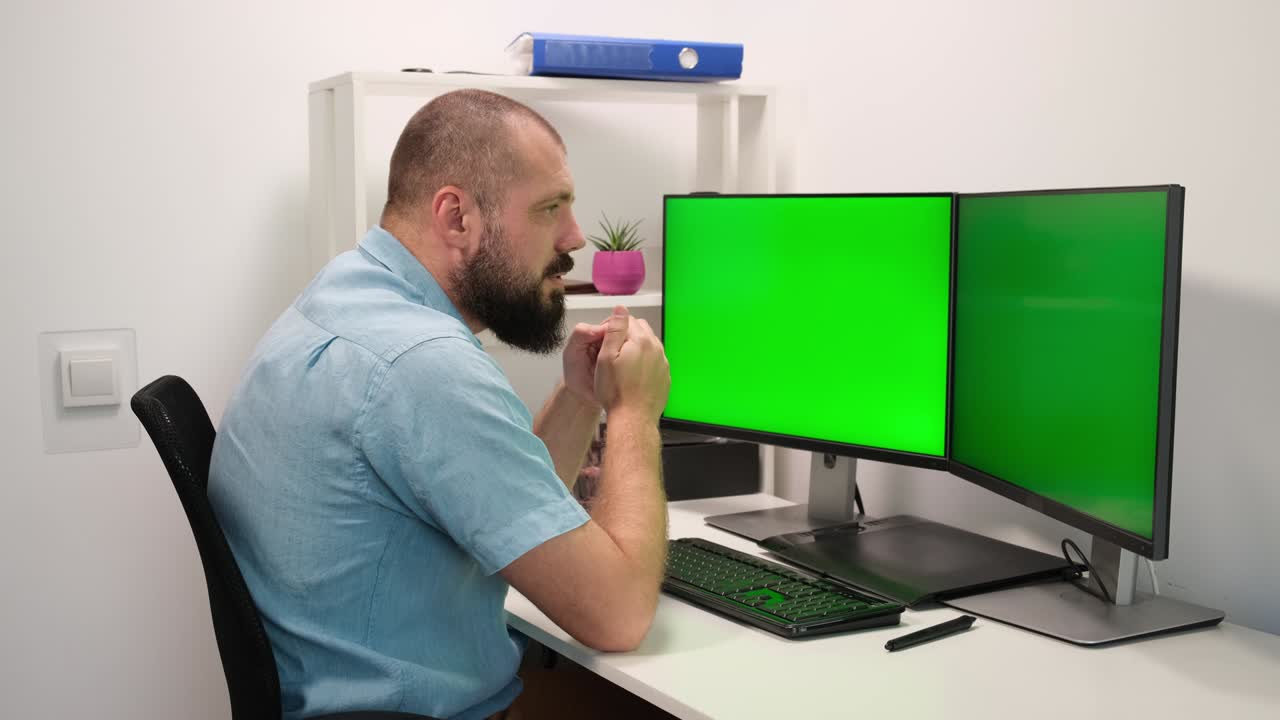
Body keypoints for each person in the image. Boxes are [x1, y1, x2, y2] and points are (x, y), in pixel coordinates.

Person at [209, 89, 671, 720]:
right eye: (550, 208)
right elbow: (618, 615)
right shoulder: (422, 364)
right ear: (457, 218)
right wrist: (636, 412)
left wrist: (580, 397)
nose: (575, 236)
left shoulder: (346, 297)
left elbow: (507, 502)